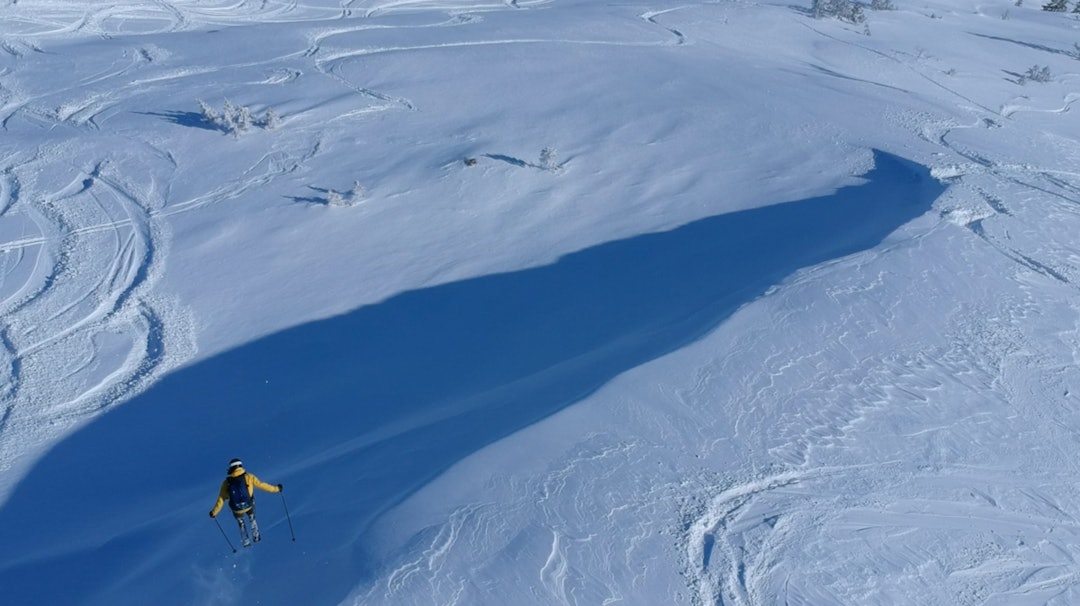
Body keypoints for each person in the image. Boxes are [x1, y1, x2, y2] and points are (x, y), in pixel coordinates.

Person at [209, 458, 282, 547]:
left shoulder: (226, 483)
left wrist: (213, 513)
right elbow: (262, 485)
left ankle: (246, 541)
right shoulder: (249, 477)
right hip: (249, 505)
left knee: (240, 521)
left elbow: (220, 500)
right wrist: (276, 489)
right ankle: (255, 532)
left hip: (236, 509)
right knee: (251, 507)